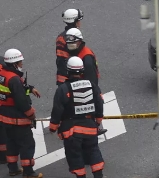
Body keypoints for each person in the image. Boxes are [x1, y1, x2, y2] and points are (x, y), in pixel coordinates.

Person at [48, 56, 105, 178]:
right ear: (82, 71)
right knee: (93, 151)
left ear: (68, 71)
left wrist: (53, 127)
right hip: (90, 127)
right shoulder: (92, 85)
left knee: (75, 156)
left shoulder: (63, 89)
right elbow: (99, 103)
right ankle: (99, 175)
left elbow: (57, 110)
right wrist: (98, 120)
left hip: (71, 131)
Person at [0, 49, 42, 178]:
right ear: (14, 63)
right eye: (20, 62)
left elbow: (13, 89)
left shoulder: (3, 74)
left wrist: (30, 88)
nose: (21, 64)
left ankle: (13, 169)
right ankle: (28, 172)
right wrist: (31, 114)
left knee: (11, 144)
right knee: (27, 145)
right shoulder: (13, 79)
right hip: (17, 119)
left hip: (5, 117)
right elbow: (21, 101)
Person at [56, 8, 83, 85]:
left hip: (62, 76)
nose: (80, 23)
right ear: (74, 22)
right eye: (78, 21)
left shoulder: (61, 37)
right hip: (71, 75)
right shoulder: (73, 37)